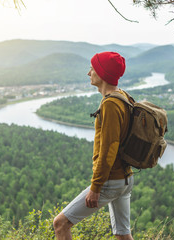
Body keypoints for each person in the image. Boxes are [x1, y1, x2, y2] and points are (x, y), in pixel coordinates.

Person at [53, 52, 134, 240]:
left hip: (111, 181)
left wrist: (96, 187)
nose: (88, 73)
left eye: (92, 68)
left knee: (60, 224)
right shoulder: (122, 97)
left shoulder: (111, 105)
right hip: (125, 179)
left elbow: (108, 150)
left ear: (102, 73)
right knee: (123, 234)